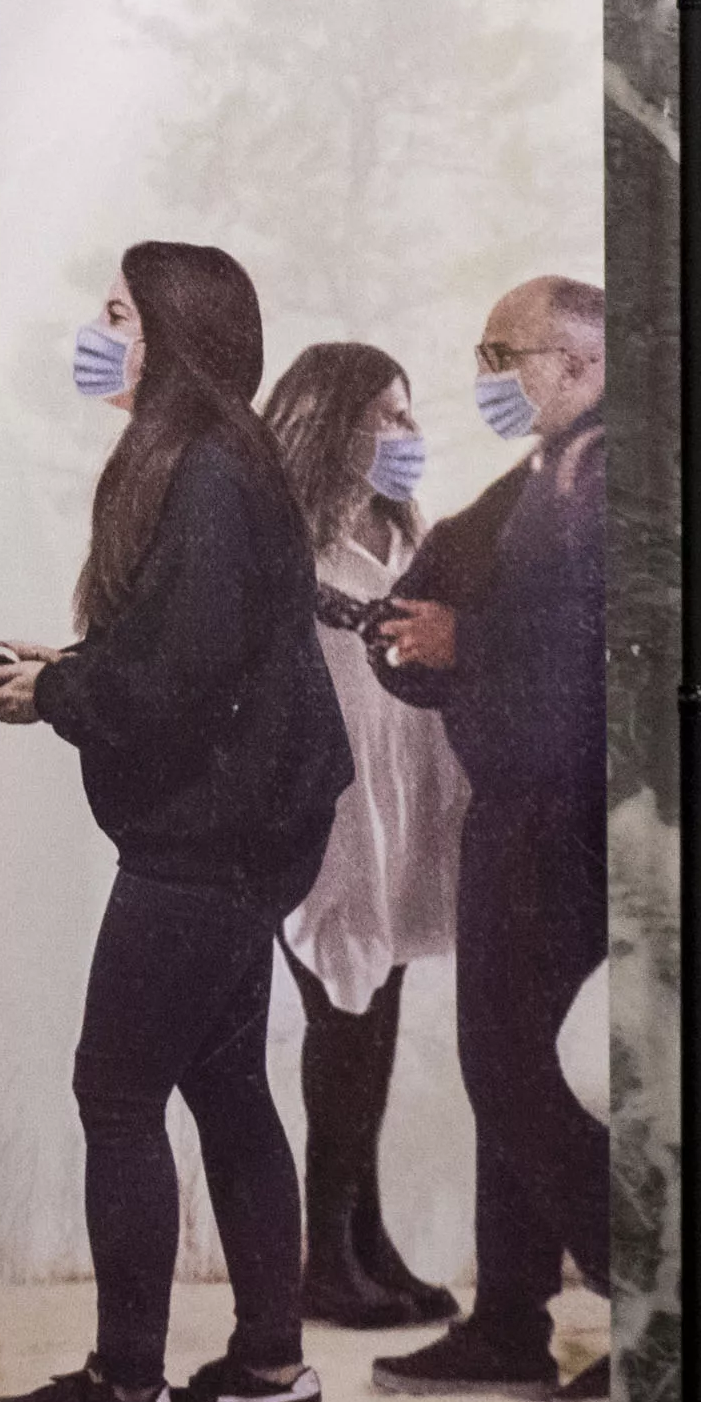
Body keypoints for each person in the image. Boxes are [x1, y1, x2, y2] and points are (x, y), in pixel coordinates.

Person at [0, 245, 353, 1402]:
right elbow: (188, 655)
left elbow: (183, 680)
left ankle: (123, 1387)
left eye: (119, 313)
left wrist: (60, 691)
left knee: (117, 1090)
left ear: (174, 334)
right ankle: (268, 1372)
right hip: (246, 831)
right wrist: (70, 674)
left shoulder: (207, 474)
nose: (98, 330)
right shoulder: (210, 462)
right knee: (228, 1088)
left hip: (212, 843)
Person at [363, 277, 612, 1402]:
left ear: (576, 363)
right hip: (522, 814)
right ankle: (511, 1321)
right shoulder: (543, 474)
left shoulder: (607, 474)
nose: (485, 375)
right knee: (501, 1059)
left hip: (564, 821)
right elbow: (450, 593)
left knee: (510, 1064)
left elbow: (593, 652)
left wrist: (465, 639)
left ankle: (662, 1309)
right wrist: (420, 639)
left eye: (502, 352)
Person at [260, 342, 468, 1330]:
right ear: (331, 427)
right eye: (387, 417)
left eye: (410, 414)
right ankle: (326, 1259)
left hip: (400, 808)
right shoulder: (284, 549)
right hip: (329, 816)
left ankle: (361, 1239)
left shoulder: (402, 545)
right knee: (342, 1016)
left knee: (373, 1019)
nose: (407, 437)